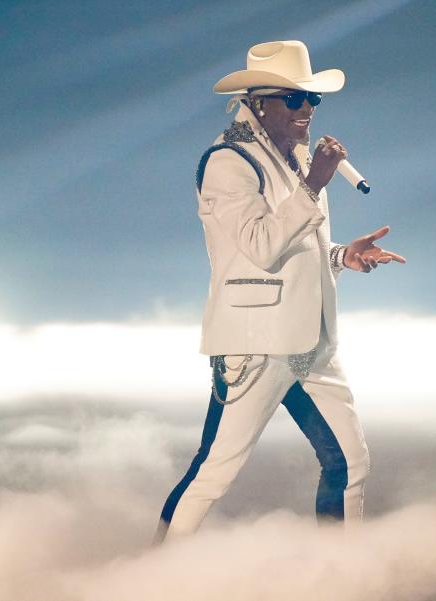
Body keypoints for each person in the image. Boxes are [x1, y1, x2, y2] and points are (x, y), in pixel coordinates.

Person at [154, 40, 405, 544]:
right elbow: (261, 246)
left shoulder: (296, 158)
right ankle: (151, 573)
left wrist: (340, 256)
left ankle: (340, 573)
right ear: (257, 101)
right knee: (215, 471)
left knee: (349, 461)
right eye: (294, 99)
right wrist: (313, 184)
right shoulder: (228, 162)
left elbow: (297, 247)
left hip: (311, 343)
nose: (308, 109)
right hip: (256, 345)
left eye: (313, 99)